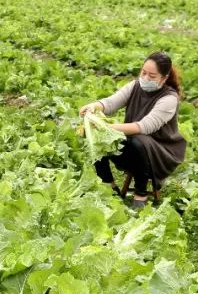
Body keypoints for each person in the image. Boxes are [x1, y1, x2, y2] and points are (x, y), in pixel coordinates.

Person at [79, 51, 187, 210]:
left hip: (160, 154)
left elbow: (144, 127)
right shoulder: (135, 86)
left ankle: (141, 193)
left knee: (139, 138)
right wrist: (94, 106)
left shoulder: (169, 99)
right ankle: (109, 184)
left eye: (152, 76)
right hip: (133, 146)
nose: (145, 78)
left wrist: (107, 127)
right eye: (143, 73)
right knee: (94, 134)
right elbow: (111, 103)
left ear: (164, 78)